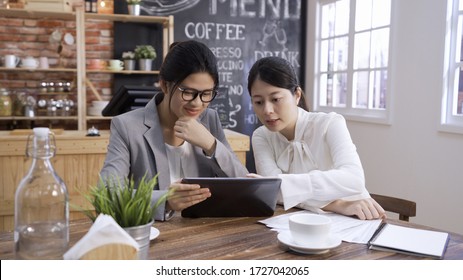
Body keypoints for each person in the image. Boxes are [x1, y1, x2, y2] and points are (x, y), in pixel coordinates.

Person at [100, 40, 248, 221]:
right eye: (187, 92)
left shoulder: (210, 119)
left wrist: (211, 144)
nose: (197, 103)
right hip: (156, 236)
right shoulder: (126, 126)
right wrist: (165, 200)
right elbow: (108, 195)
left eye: (206, 94)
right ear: (164, 85)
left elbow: (244, 183)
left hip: (205, 234)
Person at [248, 56, 385, 220]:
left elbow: (354, 179)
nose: (267, 110)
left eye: (275, 99)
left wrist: (284, 186)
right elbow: (272, 194)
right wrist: (338, 205)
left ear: (297, 95)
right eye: (258, 102)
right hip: (303, 223)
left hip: (357, 218)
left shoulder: (330, 124)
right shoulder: (261, 136)